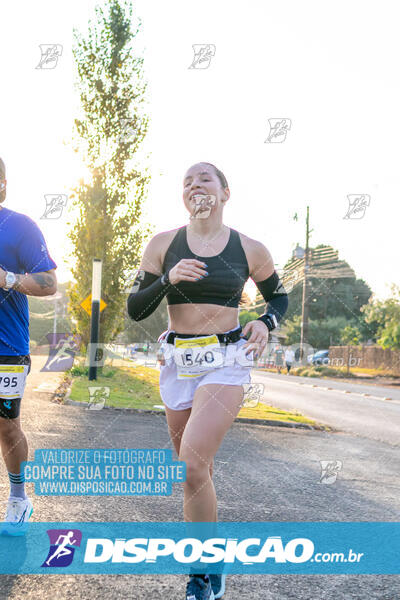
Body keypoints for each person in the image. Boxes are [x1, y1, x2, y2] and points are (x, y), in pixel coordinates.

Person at [127, 162, 288, 600]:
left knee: (193, 464)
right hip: (177, 360)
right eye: (187, 182)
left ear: (225, 192)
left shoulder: (249, 248)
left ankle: (202, 573)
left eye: (205, 180)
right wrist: (167, 278)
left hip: (227, 358)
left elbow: (279, 296)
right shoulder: (163, 244)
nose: (195, 186)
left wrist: (266, 322)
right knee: (194, 472)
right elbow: (135, 309)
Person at [0, 157, 57, 535]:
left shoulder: (19, 227)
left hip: (6, 348)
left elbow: (49, 282)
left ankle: (19, 498)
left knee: (6, 426)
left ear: (3, 184)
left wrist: (6, 277)